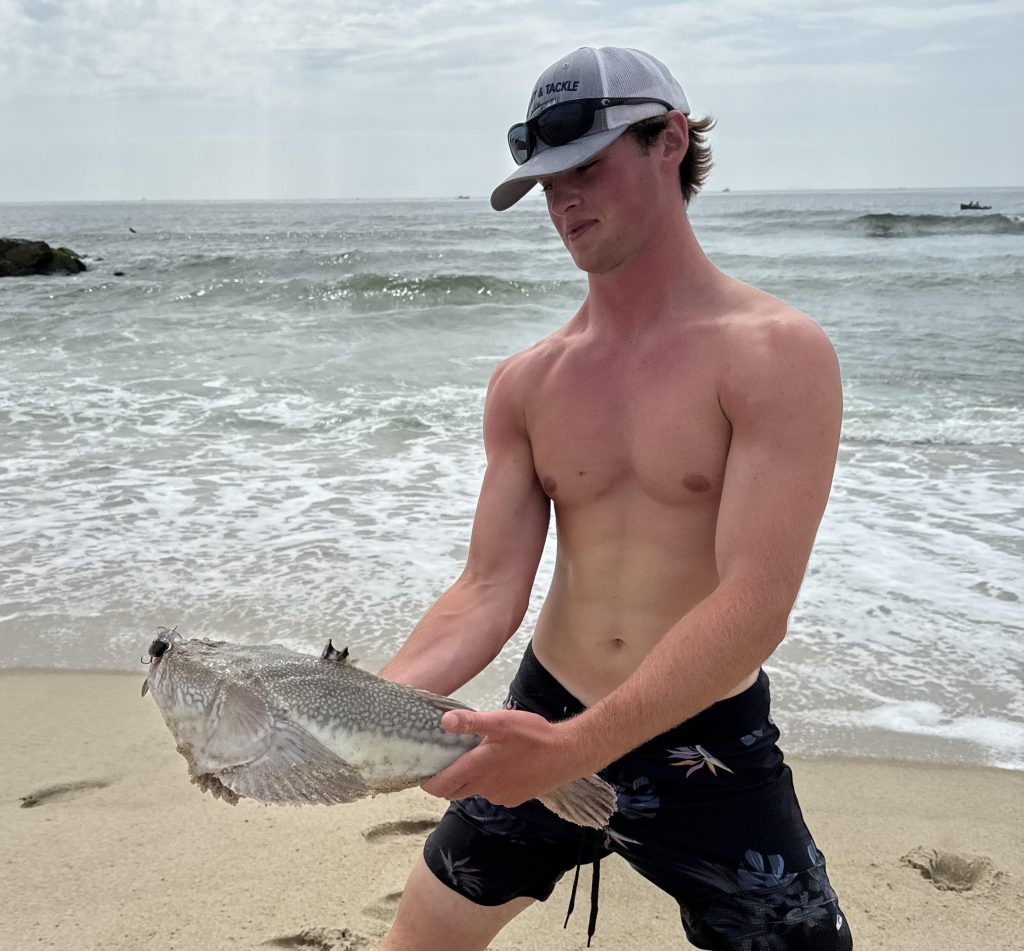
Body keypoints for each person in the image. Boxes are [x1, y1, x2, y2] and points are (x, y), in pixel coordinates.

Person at [377, 46, 852, 951]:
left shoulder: (774, 355)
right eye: (547, 182)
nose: (563, 200)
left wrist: (580, 749)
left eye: (586, 167)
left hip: (702, 740)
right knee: (421, 939)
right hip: (545, 714)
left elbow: (755, 604)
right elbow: (487, 589)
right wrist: (359, 714)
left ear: (668, 139)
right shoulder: (528, 382)